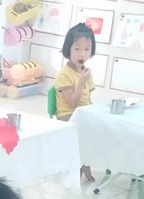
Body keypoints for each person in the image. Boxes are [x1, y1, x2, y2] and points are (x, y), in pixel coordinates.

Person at [55, 23, 96, 182]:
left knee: (100, 128)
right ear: (68, 50)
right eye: (77, 49)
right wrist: (80, 82)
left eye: (87, 49)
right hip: (68, 116)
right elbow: (72, 103)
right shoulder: (63, 75)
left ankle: (85, 162)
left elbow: (88, 100)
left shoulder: (86, 73)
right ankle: (80, 165)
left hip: (83, 114)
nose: (82, 54)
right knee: (86, 133)